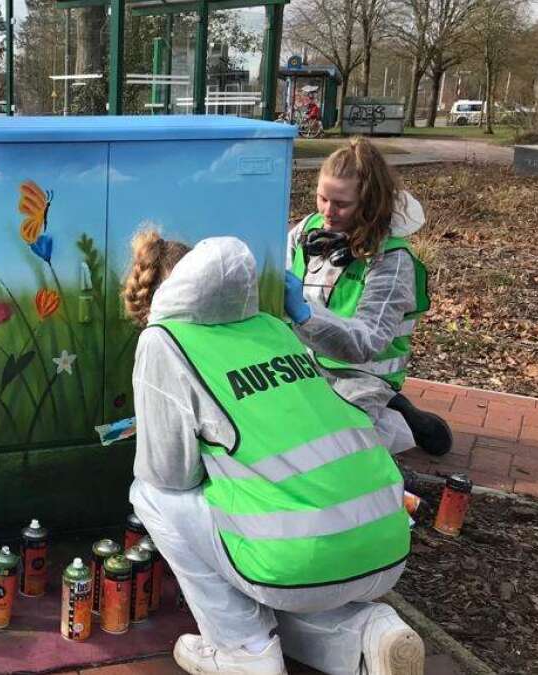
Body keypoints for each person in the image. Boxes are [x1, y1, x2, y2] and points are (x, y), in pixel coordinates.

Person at [125, 233, 425, 675]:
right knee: (284, 571)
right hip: (387, 541)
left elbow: (169, 475)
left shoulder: (164, 341)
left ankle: (243, 650)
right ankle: (368, 631)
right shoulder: (273, 327)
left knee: (150, 494)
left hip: (295, 560)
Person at [284, 137, 451, 457]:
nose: (328, 212)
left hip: (364, 375)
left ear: (369, 203)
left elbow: (368, 342)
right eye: (322, 198)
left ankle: (403, 422)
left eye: (341, 204)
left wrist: (304, 314)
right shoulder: (308, 230)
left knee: (336, 452)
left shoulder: (392, 260)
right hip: (305, 364)